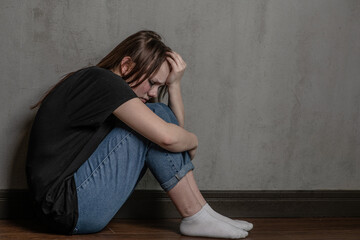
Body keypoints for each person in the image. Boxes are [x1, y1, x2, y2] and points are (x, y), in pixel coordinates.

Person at [26, 30, 253, 239]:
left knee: (158, 115)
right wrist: (194, 140)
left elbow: (174, 136)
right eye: (152, 83)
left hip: (69, 210)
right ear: (126, 65)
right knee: (157, 115)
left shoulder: (104, 87)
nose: (154, 92)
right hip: (68, 208)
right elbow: (169, 138)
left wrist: (174, 86)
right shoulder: (103, 81)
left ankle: (202, 211)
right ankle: (195, 214)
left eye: (160, 86)